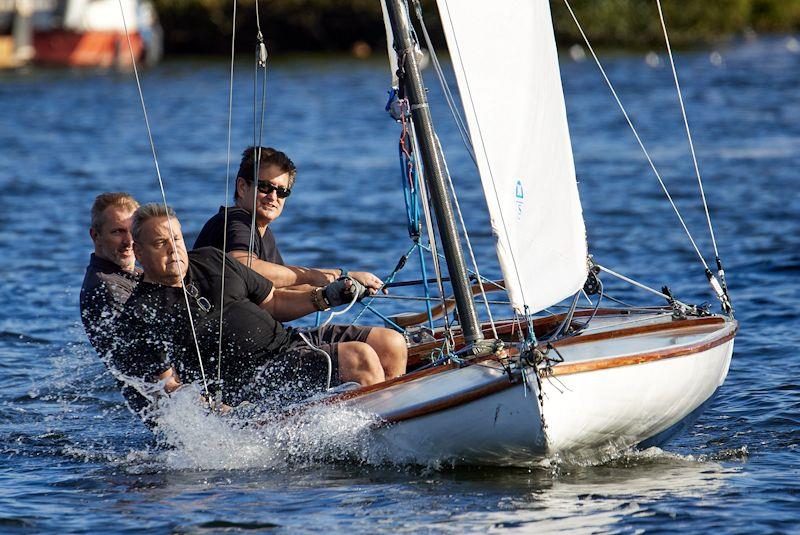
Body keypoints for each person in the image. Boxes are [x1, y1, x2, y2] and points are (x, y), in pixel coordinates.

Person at [115, 204, 407, 418]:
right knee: (359, 358)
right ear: (139, 252)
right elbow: (168, 387)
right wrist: (221, 414)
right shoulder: (140, 312)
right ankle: (383, 436)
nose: (174, 250)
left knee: (390, 343)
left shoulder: (211, 259)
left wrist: (327, 296)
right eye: (161, 243)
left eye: (177, 240)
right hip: (249, 380)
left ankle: (396, 418)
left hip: (287, 343)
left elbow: (274, 302)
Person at [194, 146, 404, 380]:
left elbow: (281, 294)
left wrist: (341, 290)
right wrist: (326, 275)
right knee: (359, 357)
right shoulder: (236, 222)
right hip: (246, 360)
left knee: (390, 342)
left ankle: (400, 411)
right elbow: (244, 268)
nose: (273, 197)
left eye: (282, 191)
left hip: (277, 340)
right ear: (242, 187)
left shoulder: (263, 233)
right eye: (265, 187)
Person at [80, 192, 142, 359]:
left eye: (133, 230)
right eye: (118, 232)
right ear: (96, 236)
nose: (129, 241)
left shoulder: (132, 274)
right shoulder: (105, 288)